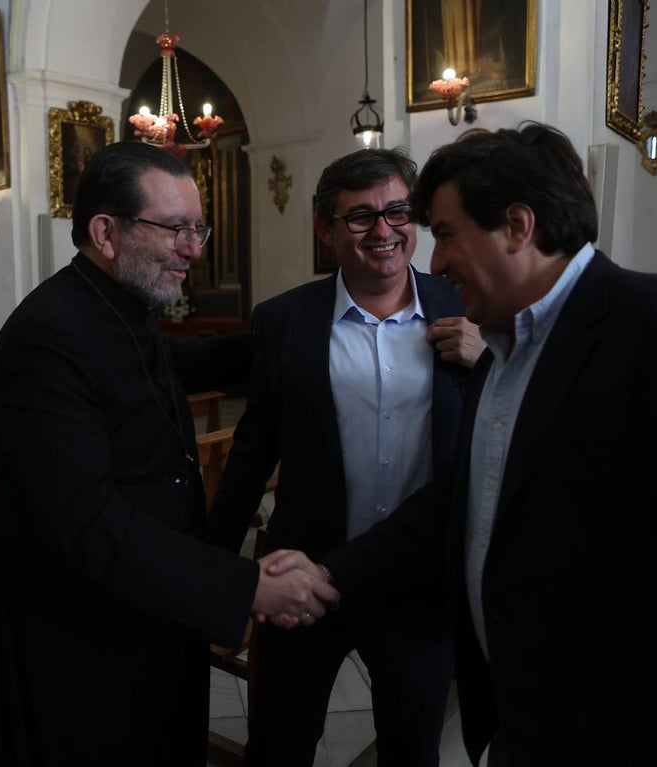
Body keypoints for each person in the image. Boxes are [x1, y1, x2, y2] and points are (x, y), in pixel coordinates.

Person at [280, 122, 657, 764]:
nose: (434, 262)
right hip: (531, 714)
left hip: (634, 724)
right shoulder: (506, 348)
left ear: (518, 226)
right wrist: (330, 571)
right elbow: (459, 501)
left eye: (443, 234)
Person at [0, 141, 339, 766]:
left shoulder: (118, 308)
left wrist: (289, 334)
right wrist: (244, 586)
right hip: (76, 641)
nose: (194, 248)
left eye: (198, 228)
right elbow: (83, 521)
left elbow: (165, 367)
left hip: (141, 611)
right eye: (175, 230)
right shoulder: (47, 336)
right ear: (106, 232)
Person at [206, 147, 484, 767]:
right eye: (360, 217)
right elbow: (252, 452)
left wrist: (486, 358)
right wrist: (215, 573)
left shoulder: (466, 307)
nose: (383, 231)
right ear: (325, 229)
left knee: (412, 750)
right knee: (279, 745)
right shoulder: (285, 321)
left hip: (418, 583)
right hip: (305, 575)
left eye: (396, 212)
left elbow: (503, 433)